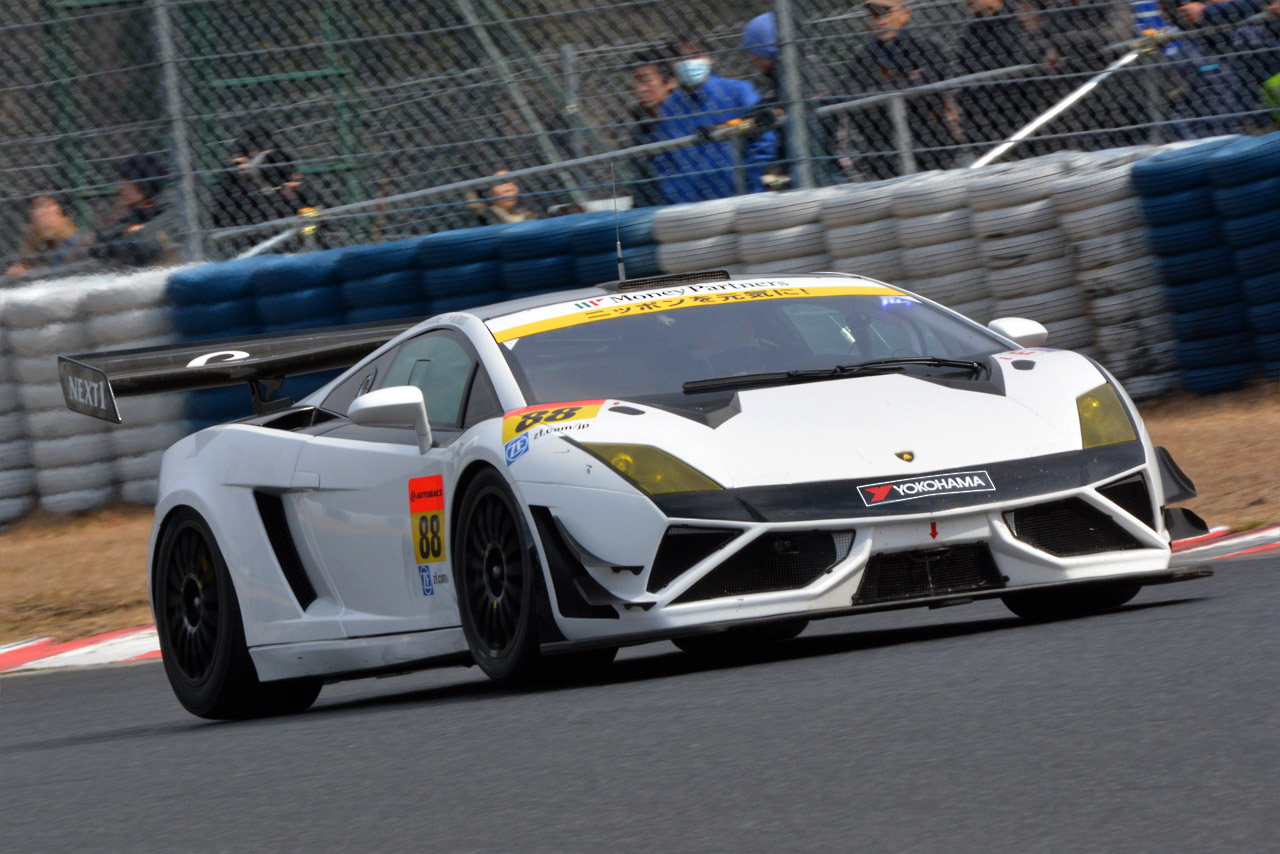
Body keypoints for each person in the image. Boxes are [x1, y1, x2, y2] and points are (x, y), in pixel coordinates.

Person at [650, 33, 779, 204]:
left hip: (740, 199)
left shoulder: (738, 92)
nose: (688, 62)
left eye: (695, 55)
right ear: (671, 65)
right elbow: (664, 158)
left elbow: (763, 138)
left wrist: (748, 182)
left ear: (709, 59)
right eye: (680, 58)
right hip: (689, 204)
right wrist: (675, 195)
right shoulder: (670, 107)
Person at [843, 0, 959, 179]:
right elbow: (849, 94)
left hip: (930, 143)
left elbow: (926, 88)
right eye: (874, 16)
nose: (881, 21)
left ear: (905, 13)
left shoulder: (926, 46)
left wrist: (874, 92)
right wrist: (905, 84)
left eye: (886, 14)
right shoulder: (862, 56)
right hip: (882, 150)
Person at [1159, 0, 1280, 137]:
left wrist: (1208, 12)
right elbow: (1174, 108)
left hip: (1250, 126)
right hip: (1209, 134)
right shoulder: (1178, 50)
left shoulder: (1244, 31)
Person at [210, 125, 328, 254]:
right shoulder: (237, 184)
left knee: (309, 213)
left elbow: (322, 211)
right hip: (255, 242)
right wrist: (235, 178)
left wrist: (295, 195)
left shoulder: (286, 171)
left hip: (296, 240)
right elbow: (222, 217)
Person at [952, 0, 1038, 151]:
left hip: (1020, 109)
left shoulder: (1021, 18)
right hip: (981, 116)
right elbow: (966, 67)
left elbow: (1023, 58)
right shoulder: (971, 30)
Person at [90, 153, 180, 269]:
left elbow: (145, 244)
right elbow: (101, 239)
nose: (120, 186)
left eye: (128, 180)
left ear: (144, 184)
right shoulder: (142, 211)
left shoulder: (171, 210)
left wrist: (109, 246)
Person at [628, 47, 677, 207]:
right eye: (637, 81)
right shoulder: (641, 125)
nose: (640, 89)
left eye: (646, 80)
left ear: (670, 82)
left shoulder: (683, 119)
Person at [5, 194, 89, 277]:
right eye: (35, 208)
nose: (39, 214)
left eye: (45, 206)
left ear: (58, 210)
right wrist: (20, 267)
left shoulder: (78, 241)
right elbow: (26, 261)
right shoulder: (36, 238)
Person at [467, 170, 538, 226]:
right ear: (491, 191)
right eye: (501, 183)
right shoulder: (485, 214)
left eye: (512, 184)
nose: (509, 189)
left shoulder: (525, 214)